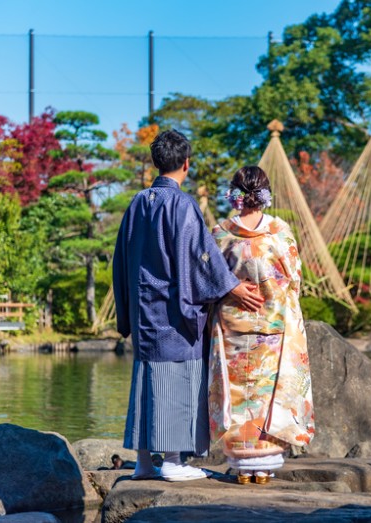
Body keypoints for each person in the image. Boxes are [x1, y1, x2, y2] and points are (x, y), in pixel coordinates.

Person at [113, 130, 265, 482]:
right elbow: (201, 257)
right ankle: (172, 460)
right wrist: (233, 287)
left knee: (146, 379)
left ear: (156, 163)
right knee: (176, 380)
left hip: (144, 309)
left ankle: (143, 463)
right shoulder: (181, 205)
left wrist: (127, 310)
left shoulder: (137, 203)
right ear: (186, 163)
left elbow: (120, 260)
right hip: (173, 310)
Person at [208, 166, 315, 485]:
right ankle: (264, 467)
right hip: (273, 327)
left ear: (236, 195)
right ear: (264, 195)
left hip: (232, 327)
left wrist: (234, 290)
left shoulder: (221, 232)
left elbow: (209, 278)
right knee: (269, 395)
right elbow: (294, 278)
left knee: (238, 393)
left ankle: (242, 468)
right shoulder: (279, 232)